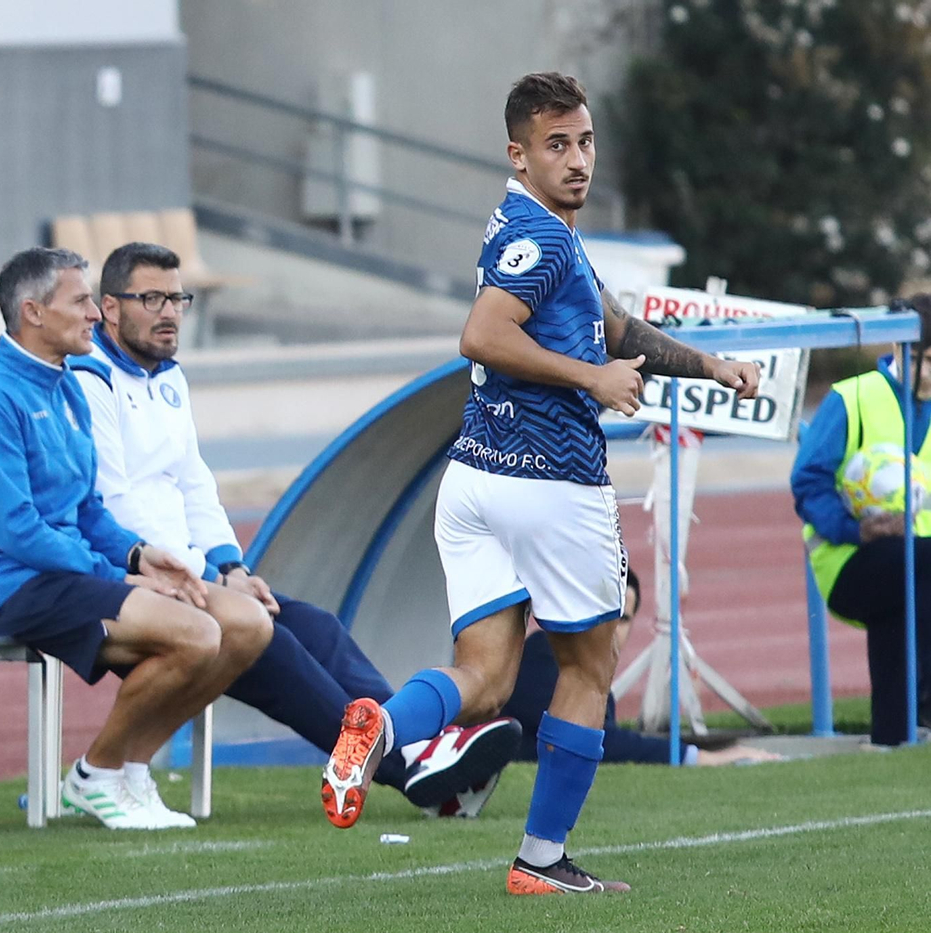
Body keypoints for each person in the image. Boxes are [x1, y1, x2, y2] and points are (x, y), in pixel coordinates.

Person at [320, 72, 761, 895]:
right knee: (589, 668)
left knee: (483, 674)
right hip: (553, 485)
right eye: (557, 145)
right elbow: (482, 336)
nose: (578, 159)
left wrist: (710, 365)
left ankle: (380, 724)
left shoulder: (527, 226)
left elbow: (616, 325)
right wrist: (592, 379)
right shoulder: (548, 239)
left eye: (586, 141)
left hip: (474, 482)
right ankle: (542, 858)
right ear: (518, 154)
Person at [67, 241, 521, 819]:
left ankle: (418, 747)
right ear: (109, 308)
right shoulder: (90, 383)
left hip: (195, 579)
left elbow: (194, 484)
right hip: (137, 587)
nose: (169, 312)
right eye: (150, 298)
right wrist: (208, 576)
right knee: (274, 647)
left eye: (177, 298)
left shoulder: (167, 379)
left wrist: (232, 568)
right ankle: (410, 768)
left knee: (317, 626)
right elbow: (116, 506)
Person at [0, 246, 274, 831]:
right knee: (196, 633)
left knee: (248, 624)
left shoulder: (65, 385)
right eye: (82, 299)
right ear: (33, 312)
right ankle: (96, 774)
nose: (96, 313)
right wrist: (115, 574)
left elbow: (88, 507)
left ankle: (130, 771)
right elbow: (17, 532)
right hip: (21, 586)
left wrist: (142, 555)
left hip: (75, 572)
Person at [792, 294, 931, 747]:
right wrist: (858, 528)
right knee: (915, 570)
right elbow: (808, 482)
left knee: (915, 580)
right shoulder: (852, 397)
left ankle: (896, 733)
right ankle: (916, 714)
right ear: (903, 347)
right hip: (851, 560)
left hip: (917, 562)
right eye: (928, 359)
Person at [496, 569, 783, 773]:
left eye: (623, 621)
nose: (611, 630)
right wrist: (699, 758)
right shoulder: (544, 656)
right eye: (605, 616)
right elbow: (597, 742)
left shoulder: (587, 673)